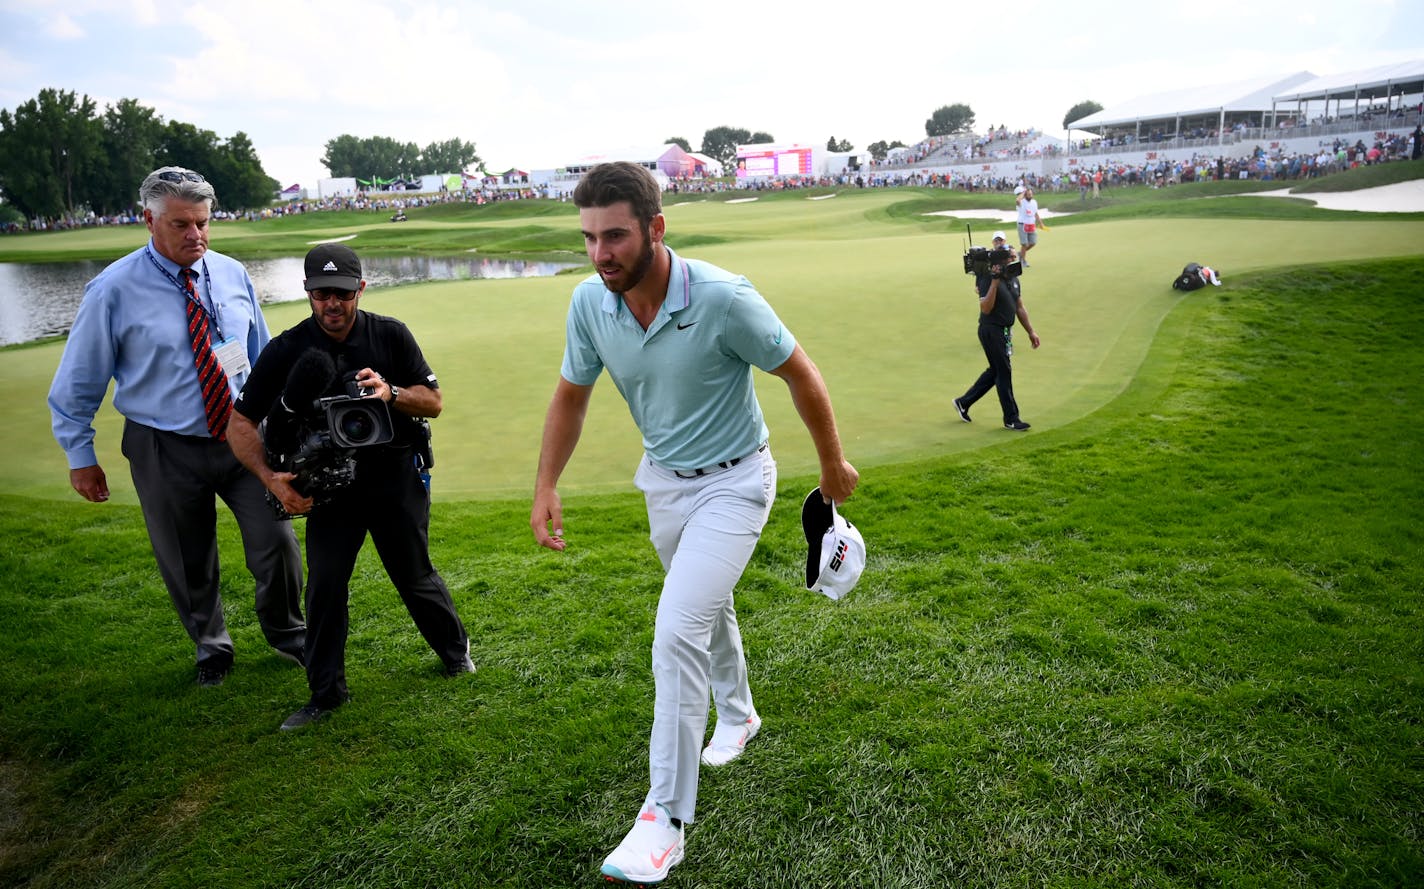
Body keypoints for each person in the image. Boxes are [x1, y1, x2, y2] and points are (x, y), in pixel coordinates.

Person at [529, 161, 859, 885]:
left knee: (676, 630)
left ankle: (664, 820)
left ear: (655, 227)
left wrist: (832, 466)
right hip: (665, 487)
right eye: (587, 238)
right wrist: (546, 481)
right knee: (704, 614)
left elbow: (802, 373)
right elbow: (570, 396)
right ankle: (738, 714)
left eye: (613, 236)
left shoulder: (722, 297)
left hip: (739, 482)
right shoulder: (591, 303)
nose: (600, 253)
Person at [47, 166, 305, 688]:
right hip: (161, 444)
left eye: (203, 223)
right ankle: (212, 647)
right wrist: (80, 454)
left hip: (241, 435)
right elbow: (79, 379)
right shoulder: (112, 289)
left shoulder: (231, 274)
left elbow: (262, 358)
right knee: (186, 557)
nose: (196, 236)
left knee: (276, 543)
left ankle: (288, 633)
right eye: (181, 225)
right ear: (149, 220)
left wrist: (283, 426)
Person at [227, 244, 474, 732]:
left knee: (414, 573)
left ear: (360, 289)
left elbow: (435, 401)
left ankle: (455, 655)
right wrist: (270, 478)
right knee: (325, 586)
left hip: (394, 475)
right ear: (307, 292)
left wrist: (392, 392)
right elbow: (240, 421)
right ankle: (325, 694)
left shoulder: (390, 335)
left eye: (342, 293)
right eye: (322, 294)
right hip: (328, 487)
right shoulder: (287, 348)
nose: (332, 304)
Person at [952, 231, 1041, 431]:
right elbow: (985, 308)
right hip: (991, 331)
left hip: (1005, 332)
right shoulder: (987, 279)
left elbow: (1019, 307)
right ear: (1001, 262)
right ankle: (1011, 419)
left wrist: (1031, 332)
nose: (1015, 259)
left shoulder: (1013, 279)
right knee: (1004, 373)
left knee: (996, 371)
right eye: (1011, 257)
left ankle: (963, 402)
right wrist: (994, 282)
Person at [1015, 185, 1044, 266]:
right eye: (1028, 194)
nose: (1030, 196)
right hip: (1022, 225)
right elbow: (1017, 200)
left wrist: (1040, 223)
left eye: (1031, 194)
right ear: (1025, 195)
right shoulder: (1021, 202)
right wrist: (1023, 193)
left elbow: (1035, 213)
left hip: (1031, 224)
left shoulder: (1034, 202)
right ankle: (1023, 260)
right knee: (1024, 244)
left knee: (1033, 242)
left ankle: (1020, 253)